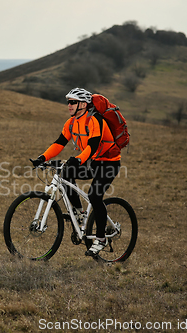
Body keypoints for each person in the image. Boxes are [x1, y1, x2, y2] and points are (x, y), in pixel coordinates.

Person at [30, 88, 121, 257]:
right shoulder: (71, 122)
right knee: (66, 173)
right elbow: (59, 143)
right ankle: (80, 212)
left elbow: (92, 147)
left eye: (73, 102)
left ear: (83, 104)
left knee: (94, 196)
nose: (69, 105)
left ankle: (101, 239)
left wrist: (78, 159)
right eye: (68, 102)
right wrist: (42, 157)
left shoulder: (95, 120)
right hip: (92, 161)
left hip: (109, 163)